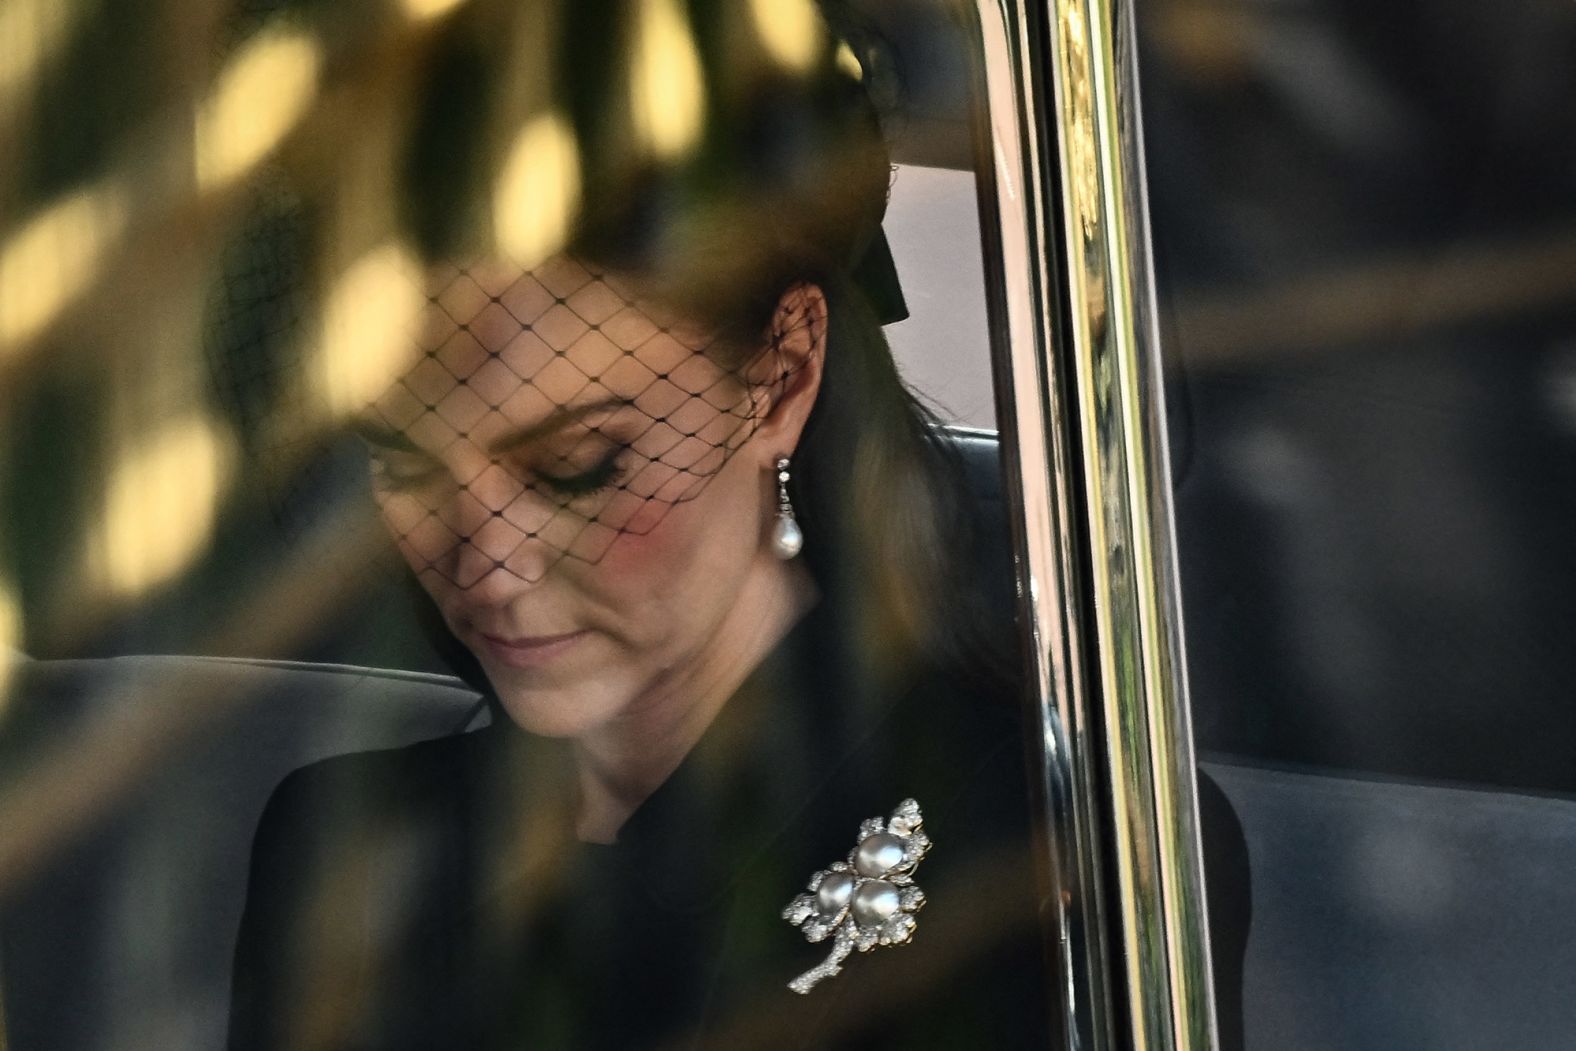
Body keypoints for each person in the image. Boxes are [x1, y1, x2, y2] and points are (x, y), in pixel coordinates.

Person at [226, 5, 1247, 1048]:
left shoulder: (1066, 852)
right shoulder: (339, 849)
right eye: (402, 462)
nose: (486, 563)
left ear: (780, 374)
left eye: (578, 465)